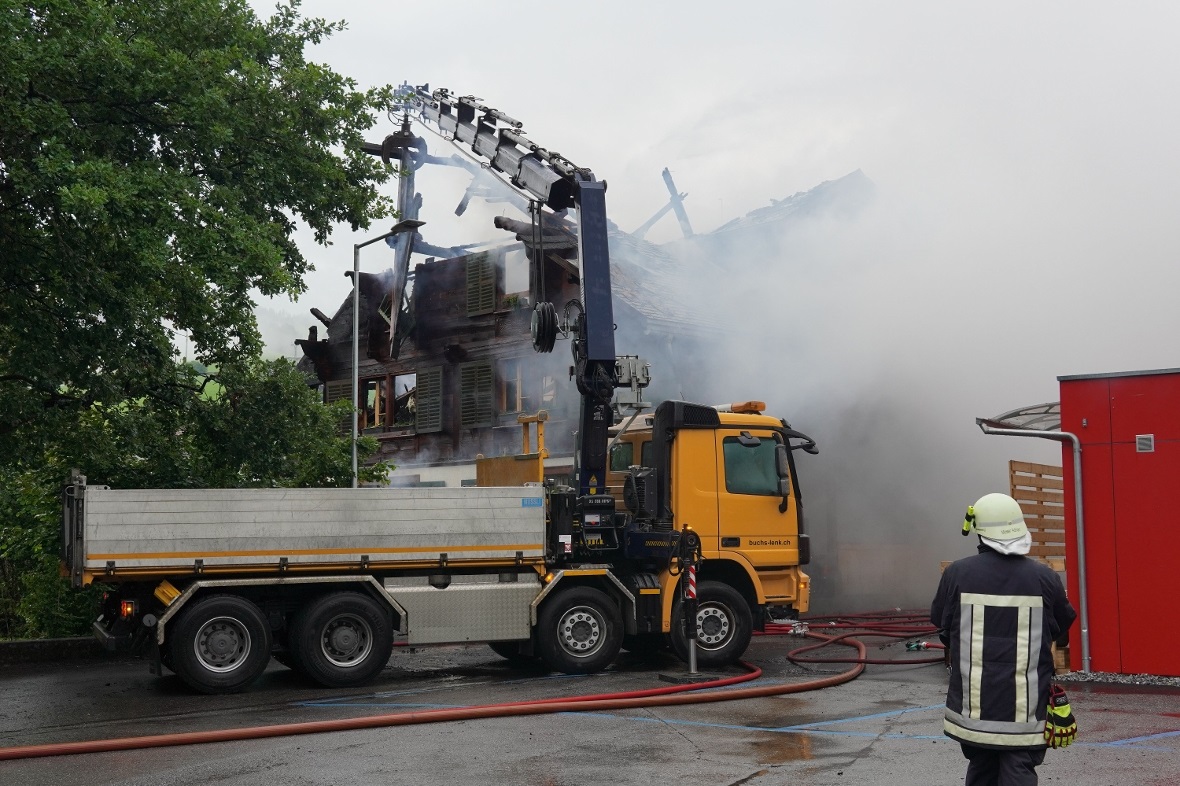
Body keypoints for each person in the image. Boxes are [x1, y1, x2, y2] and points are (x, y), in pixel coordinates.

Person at [931, 493, 1078, 786]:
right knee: (1018, 770)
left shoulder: (957, 573)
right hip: (1025, 713)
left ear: (980, 529)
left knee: (981, 768)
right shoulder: (1044, 578)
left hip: (973, 712)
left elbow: (943, 629)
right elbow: (1061, 627)